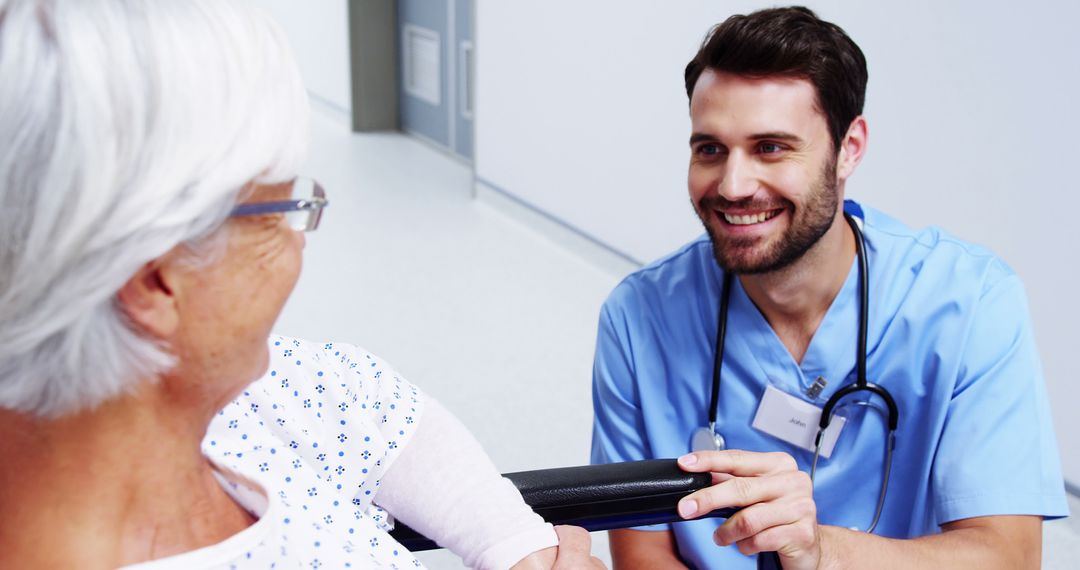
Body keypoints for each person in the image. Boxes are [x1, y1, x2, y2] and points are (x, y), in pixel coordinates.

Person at [0, 1, 605, 569]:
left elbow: (373, 405)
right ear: (155, 281)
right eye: (276, 213)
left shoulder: (240, 400)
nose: (299, 240)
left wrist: (513, 542)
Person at [590, 6, 1068, 569]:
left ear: (850, 148)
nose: (734, 184)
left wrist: (821, 551)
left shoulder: (967, 305)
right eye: (710, 149)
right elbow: (644, 553)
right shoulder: (639, 315)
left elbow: (1006, 557)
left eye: (771, 147)